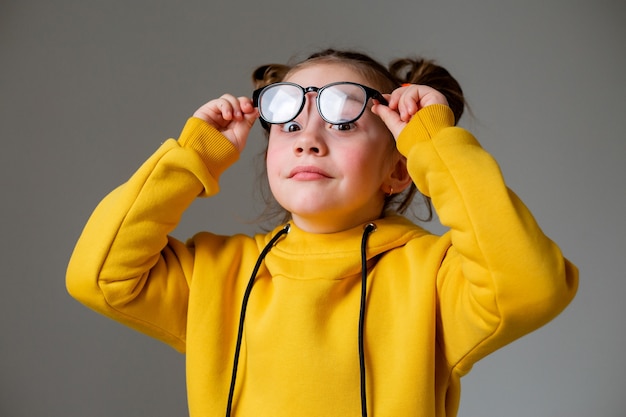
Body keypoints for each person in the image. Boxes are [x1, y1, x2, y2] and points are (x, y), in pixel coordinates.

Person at [66, 48, 578, 417]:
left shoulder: (434, 277)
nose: (308, 140)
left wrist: (435, 146)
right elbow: (100, 277)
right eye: (289, 125)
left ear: (398, 170)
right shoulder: (217, 274)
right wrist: (192, 156)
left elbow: (531, 287)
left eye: (342, 122)